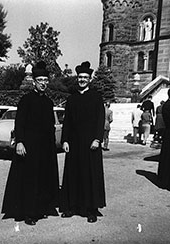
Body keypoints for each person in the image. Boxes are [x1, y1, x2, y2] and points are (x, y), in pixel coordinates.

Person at [1, 61, 59, 225]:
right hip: (28, 148)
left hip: (45, 148)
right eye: (40, 80)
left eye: (46, 81)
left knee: (42, 179)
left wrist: (52, 145)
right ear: (34, 81)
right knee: (29, 180)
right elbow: (19, 123)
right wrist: (20, 142)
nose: (43, 83)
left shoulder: (48, 102)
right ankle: (28, 213)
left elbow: (50, 126)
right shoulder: (26, 100)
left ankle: (41, 209)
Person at [59, 61, 106, 223]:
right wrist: (64, 140)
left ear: (90, 79)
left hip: (90, 143)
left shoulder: (96, 97)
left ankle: (90, 209)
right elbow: (67, 123)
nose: (82, 80)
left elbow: (100, 119)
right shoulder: (71, 99)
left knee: (90, 175)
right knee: (73, 174)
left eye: (85, 77)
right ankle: (71, 207)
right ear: (77, 78)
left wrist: (97, 139)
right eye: (80, 77)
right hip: (74, 143)